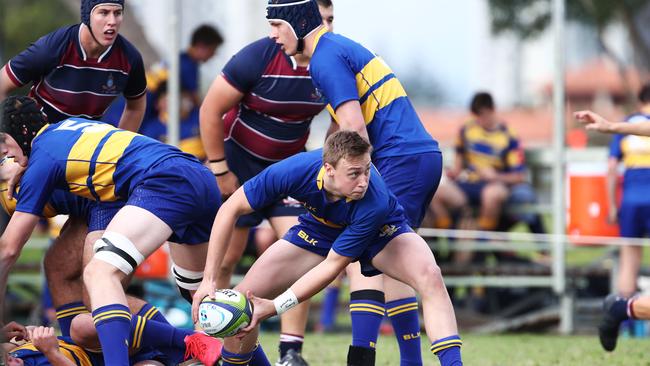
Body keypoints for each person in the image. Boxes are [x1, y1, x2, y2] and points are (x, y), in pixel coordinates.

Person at [265, 1, 445, 363]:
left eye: (276, 25)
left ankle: (362, 357)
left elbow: (355, 131)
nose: (272, 36)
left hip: (398, 159)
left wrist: (353, 183)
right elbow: (339, 133)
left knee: (366, 249)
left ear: (297, 24)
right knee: (391, 259)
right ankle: (406, 360)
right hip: (414, 156)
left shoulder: (324, 59)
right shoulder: (338, 50)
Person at [192, 131, 463, 366]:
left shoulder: (374, 200)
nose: (364, 181)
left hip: (381, 232)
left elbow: (333, 266)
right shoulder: (294, 171)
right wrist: (209, 279)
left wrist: (275, 306)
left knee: (430, 275)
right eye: (354, 173)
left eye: (367, 170)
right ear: (328, 169)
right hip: (318, 230)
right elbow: (230, 209)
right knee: (243, 304)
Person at [0, 95, 220, 366]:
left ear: (22, 133)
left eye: (3, 141)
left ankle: (178, 346)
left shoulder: (42, 160)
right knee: (207, 303)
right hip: (194, 175)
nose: (3, 152)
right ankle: (238, 357)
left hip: (160, 181)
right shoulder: (67, 128)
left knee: (99, 276)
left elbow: (7, 250)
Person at [198, 2, 333, 363]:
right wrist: (220, 170)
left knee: (303, 254)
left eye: (332, 21)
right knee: (225, 260)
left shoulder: (331, 64)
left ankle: (291, 351)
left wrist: (328, 162)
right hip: (241, 166)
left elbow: (345, 117)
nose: (327, 29)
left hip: (290, 172)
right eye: (322, 21)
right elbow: (210, 110)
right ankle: (208, 339)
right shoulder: (258, 57)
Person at [0, 0, 146, 133]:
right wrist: (6, 138)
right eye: (104, 13)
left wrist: (119, 150)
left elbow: (135, 107)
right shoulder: (53, 47)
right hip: (38, 137)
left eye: (117, 13)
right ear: (87, 16)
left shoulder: (130, 59)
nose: (112, 21)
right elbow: (2, 84)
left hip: (83, 146)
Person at [2, 299, 222, 366]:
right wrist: (52, 353)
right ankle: (183, 351)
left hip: (94, 342)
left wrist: (8, 336)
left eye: (6, 360)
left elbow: (10, 348)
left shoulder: (10, 352)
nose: (11, 361)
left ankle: (188, 341)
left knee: (89, 318)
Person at [605, 84, 650, 299]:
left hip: (631, 199)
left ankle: (623, 318)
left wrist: (612, 206)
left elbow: (612, 167)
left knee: (629, 260)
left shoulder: (626, 125)